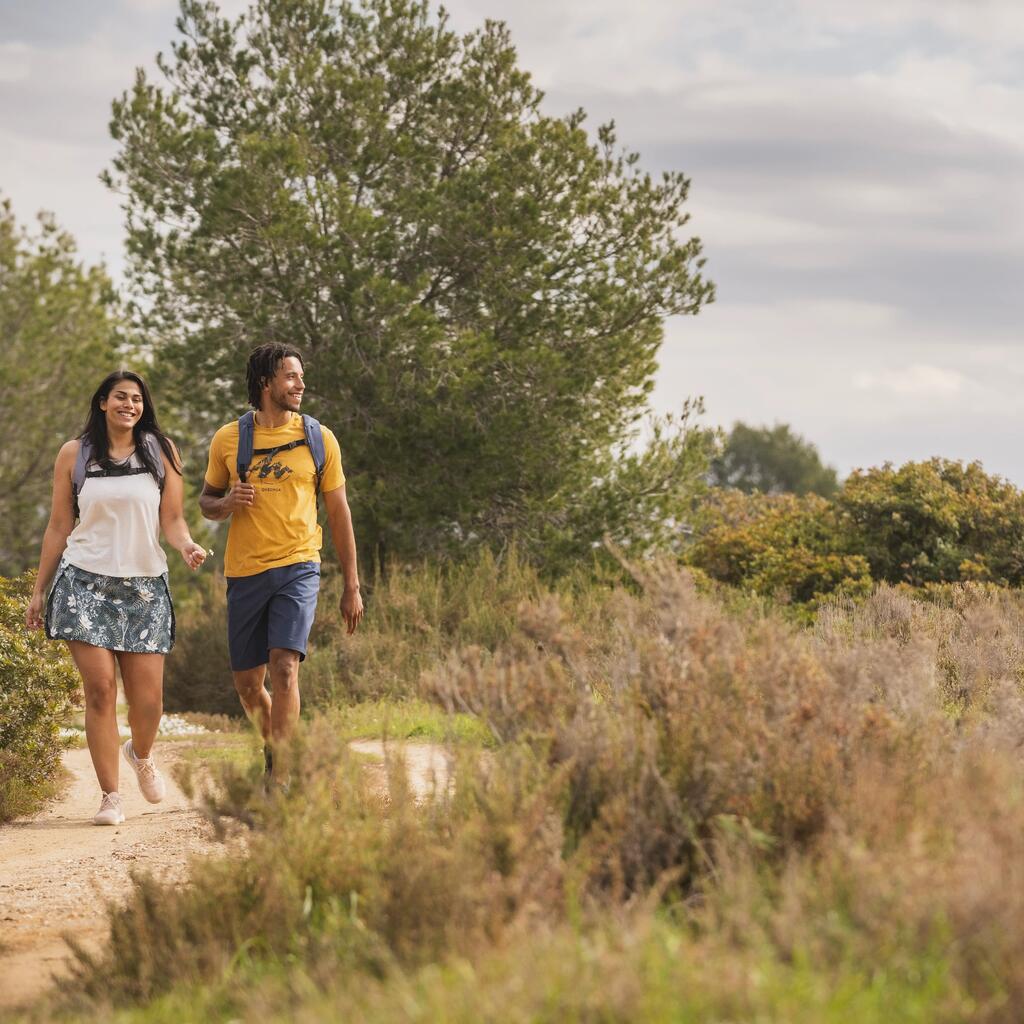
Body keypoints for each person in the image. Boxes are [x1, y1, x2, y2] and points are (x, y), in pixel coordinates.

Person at [25, 371, 207, 826]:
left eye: (137, 399)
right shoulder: (75, 453)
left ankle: (140, 754)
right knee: (101, 691)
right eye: (121, 397)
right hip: (83, 581)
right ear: (103, 402)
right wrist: (38, 590)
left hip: (144, 586)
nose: (130, 405)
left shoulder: (161, 451)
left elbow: (174, 519)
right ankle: (110, 796)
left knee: (149, 701)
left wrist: (186, 545)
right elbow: (59, 526)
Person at [200, 344, 362, 778]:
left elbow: (339, 511)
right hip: (245, 572)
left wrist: (352, 585)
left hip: (299, 565)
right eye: (291, 377)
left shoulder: (319, 438)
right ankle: (276, 746)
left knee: (286, 668)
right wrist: (227, 502)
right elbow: (206, 501)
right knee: (249, 687)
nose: (301, 385)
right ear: (265, 382)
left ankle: (283, 775)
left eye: (301, 376)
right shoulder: (228, 439)